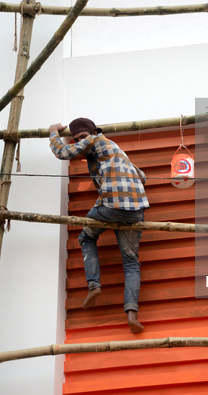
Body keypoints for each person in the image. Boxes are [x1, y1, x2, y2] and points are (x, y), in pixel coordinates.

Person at [49, 118, 149, 334]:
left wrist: (53, 132)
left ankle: (94, 285)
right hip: (136, 211)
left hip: (112, 205)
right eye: (75, 139)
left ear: (92, 132)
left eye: (81, 137)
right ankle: (132, 315)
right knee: (131, 263)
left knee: (86, 237)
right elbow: (142, 177)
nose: (79, 142)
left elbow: (62, 153)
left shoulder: (95, 140)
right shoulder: (116, 151)